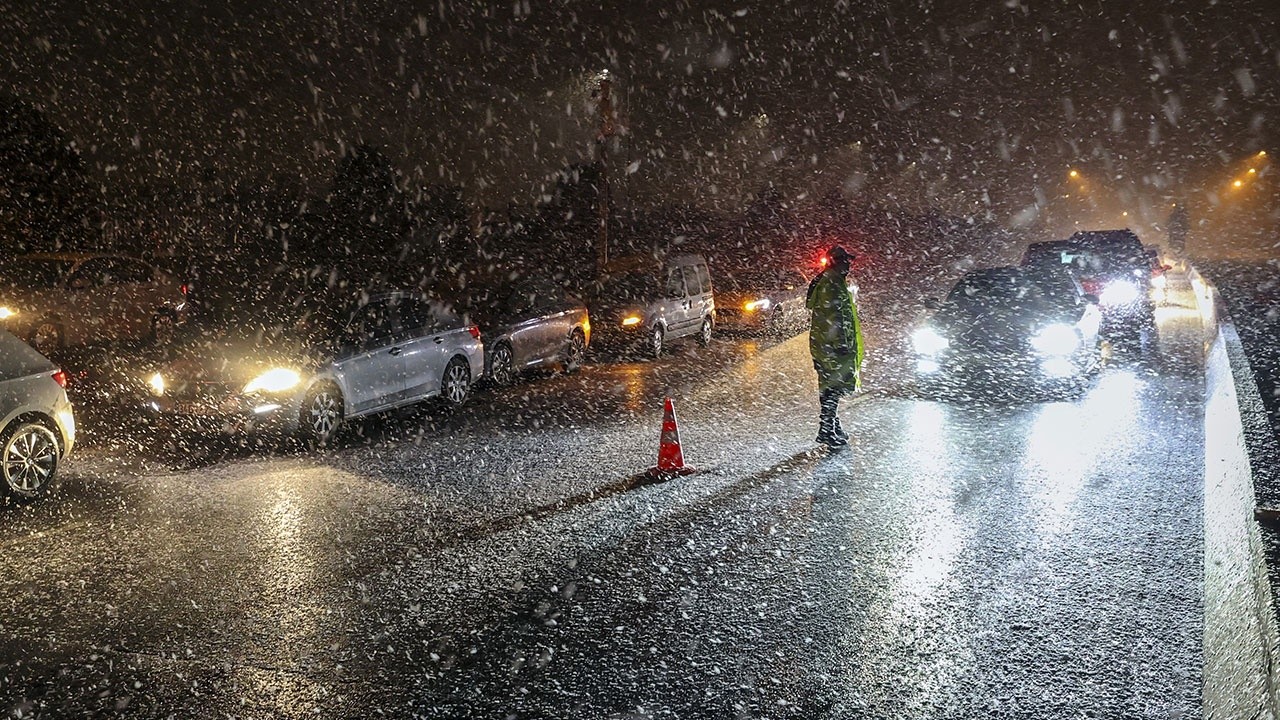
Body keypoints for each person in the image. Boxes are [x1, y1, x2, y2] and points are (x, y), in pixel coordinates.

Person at [806, 245, 864, 447]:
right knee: (832, 387)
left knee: (832, 386)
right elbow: (834, 317)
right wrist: (840, 343)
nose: (847, 265)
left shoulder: (832, 281)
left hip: (827, 344)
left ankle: (831, 425)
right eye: (843, 261)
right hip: (832, 346)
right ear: (835, 262)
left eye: (847, 261)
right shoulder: (831, 283)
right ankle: (827, 429)